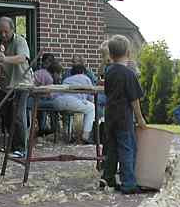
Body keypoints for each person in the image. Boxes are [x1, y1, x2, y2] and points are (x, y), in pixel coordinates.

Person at [0, 16, 33, 158]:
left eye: (6, 32)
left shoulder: (20, 41)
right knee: (8, 116)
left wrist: (5, 59)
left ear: (13, 30)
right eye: (0, 32)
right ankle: (11, 146)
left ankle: (21, 149)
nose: (3, 35)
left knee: (18, 116)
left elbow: (23, 58)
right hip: (5, 84)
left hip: (22, 82)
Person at [102, 35, 147, 194]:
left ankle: (108, 179)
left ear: (111, 54)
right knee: (127, 149)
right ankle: (129, 183)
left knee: (111, 149)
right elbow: (134, 99)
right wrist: (140, 119)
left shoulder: (109, 71)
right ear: (128, 53)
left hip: (110, 117)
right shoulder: (129, 74)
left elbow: (107, 92)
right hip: (124, 119)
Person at [52, 64, 95, 143]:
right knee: (92, 108)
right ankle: (85, 135)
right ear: (83, 72)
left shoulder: (66, 79)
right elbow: (91, 97)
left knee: (66, 112)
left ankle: (66, 134)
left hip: (58, 101)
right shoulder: (86, 78)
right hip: (72, 101)